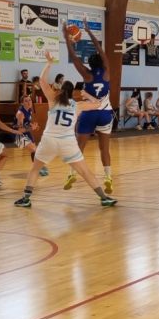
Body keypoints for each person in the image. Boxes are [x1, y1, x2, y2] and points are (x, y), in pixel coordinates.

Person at [13, 51, 117, 208]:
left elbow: (41, 80)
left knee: (35, 169)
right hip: (67, 142)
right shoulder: (77, 105)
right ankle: (104, 198)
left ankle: (26, 198)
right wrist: (87, 95)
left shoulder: (53, 100)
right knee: (85, 172)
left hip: (49, 140)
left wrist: (49, 63)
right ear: (72, 93)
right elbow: (98, 104)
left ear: (60, 91)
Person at [64, 19, 115, 195]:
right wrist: (90, 32)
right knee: (104, 149)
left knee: (79, 147)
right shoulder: (107, 72)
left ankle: (71, 174)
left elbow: (74, 56)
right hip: (105, 114)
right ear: (101, 62)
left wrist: (67, 37)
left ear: (90, 65)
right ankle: (108, 177)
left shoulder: (86, 75)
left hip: (89, 113)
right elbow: (101, 51)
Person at [13, 94, 48, 177]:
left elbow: (27, 123)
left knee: (34, 150)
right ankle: (38, 168)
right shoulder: (20, 113)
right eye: (26, 101)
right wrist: (31, 128)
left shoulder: (29, 110)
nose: (29, 102)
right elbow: (20, 129)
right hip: (18, 135)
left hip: (26, 133)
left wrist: (33, 126)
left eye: (29, 100)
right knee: (34, 149)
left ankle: (37, 168)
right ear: (22, 103)